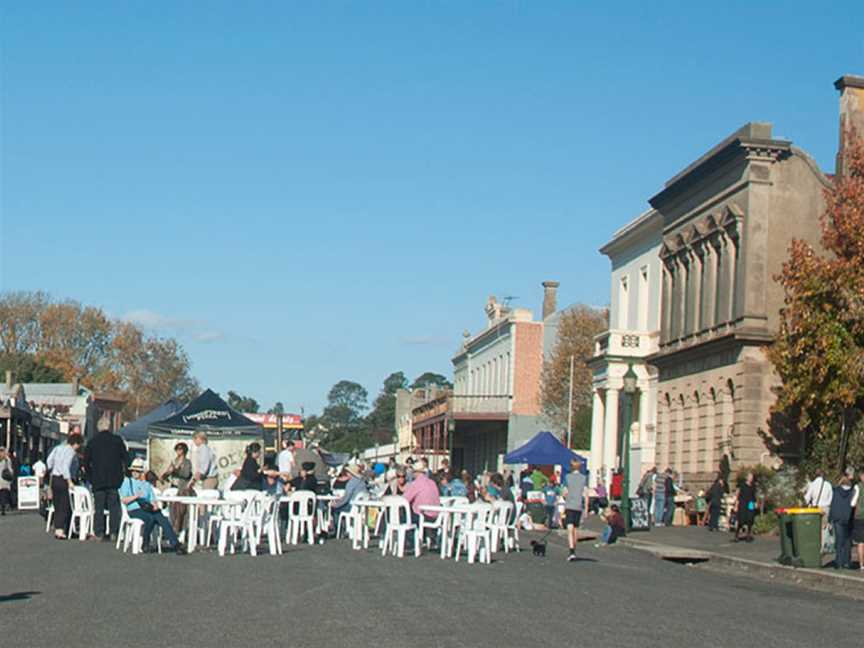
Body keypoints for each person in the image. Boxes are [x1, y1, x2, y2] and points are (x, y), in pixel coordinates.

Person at [119, 458, 186, 554]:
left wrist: (155, 505)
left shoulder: (147, 485)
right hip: (134, 508)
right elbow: (124, 500)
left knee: (162, 518)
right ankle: (145, 543)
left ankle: (175, 544)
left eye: (138, 471)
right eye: (133, 470)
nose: (135, 473)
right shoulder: (127, 482)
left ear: (142, 472)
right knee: (150, 518)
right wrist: (136, 496)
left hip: (147, 507)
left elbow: (152, 499)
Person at [83, 415, 128, 541]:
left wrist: (90, 477)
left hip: (98, 479)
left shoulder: (92, 442)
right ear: (109, 427)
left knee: (99, 507)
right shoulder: (117, 440)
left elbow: (86, 462)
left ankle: (99, 532)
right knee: (114, 507)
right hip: (114, 479)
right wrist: (123, 475)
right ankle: (114, 531)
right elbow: (125, 458)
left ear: (98, 428)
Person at [46, 433, 84, 539]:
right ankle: (60, 530)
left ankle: (58, 527)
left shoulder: (57, 448)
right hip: (63, 479)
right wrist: (69, 482)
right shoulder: (71, 452)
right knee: (64, 504)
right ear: (75, 443)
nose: (78, 447)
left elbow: (49, 461)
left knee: (57, 504)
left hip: (54, 478)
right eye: (79, 445)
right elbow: (65, 467)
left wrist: (51, 470)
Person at [828, 467, 858, 570]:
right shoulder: (853, 490)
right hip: (848, 517)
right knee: (847, 541)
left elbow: (833, 505)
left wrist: (830, 519)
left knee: (839, 541)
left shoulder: (836, 490)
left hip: (837, 518)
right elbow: (853, 504)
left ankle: (839, 562)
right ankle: (847, 561)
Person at [160, 442, 193, 533]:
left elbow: (186, 474)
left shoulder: (187, 462)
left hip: (182, 488)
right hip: (173, 486)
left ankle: (181, 530)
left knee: (181, 511)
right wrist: (164, 476)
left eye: (180, 449)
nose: (178, 451)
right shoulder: (174, 461)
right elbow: (168, 471)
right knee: (172, 509)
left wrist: (176, 471)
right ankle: (172, 529)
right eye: (177, 449)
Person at [563, 458, 588, 562]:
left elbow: (564, 492)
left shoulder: (567, 477)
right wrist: (586, 508)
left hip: (569, 505)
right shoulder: (583, 478)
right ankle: (574, 549)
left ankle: (571, 550)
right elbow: (586, 494)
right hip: (578, 506)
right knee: (575, 529)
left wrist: (566, 498)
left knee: (569, 528)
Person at [331, 464, 368, 532]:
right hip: (361, 506)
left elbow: (346, 498)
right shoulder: (362, 482)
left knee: (335, 509)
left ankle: (338, 530)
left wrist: (336, 504)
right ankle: (345, 527)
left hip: (352, 506)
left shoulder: (351, 483)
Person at [733, 471, 757, 542]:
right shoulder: (743, 485)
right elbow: (739, 496)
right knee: (741, 520)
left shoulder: (753, 486)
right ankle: (737, 534)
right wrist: (736, 505)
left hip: (750, 503)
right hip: (743, 503)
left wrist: (755, 503)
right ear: (747, 478)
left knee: (750, 519)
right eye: (749, 477)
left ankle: (748, 535)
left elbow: (753, 495)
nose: (751, 479)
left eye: (752, 477)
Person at [854, 468, 864, 572]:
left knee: (861, 542)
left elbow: (852, 503)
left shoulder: (858, 487)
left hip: (860, 516)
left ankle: (861, 565)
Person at [0, 447, 13, 515]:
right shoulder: (7, 459)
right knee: (3, 495)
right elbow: (10, 470)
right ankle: (3, 508)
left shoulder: (6, 460)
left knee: (2, 494)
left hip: (3, 480)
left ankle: (2, 507)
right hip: (4, 480)